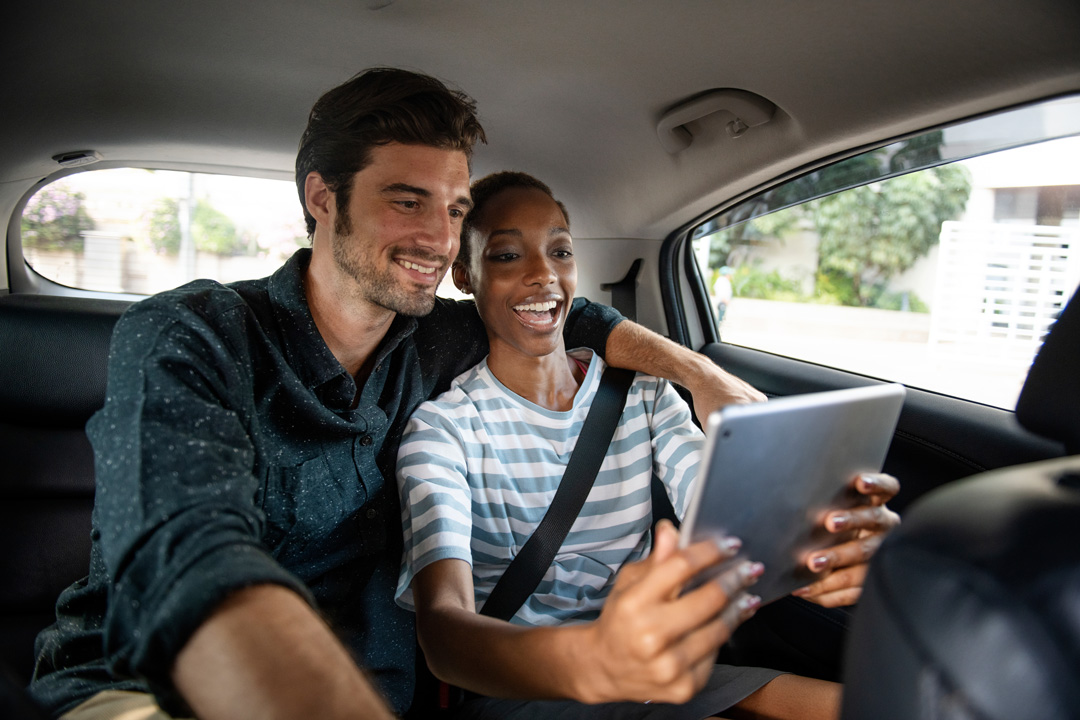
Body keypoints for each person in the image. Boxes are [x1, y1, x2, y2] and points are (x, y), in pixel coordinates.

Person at [28, 69, 766, 720]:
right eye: (406, 202)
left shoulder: (441, 336)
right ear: (323, 198)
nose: (440, 240)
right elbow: (190, 562)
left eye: (453, 211)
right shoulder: (190, 334)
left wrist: (705, 378)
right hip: (144, 686)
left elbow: (582, 317)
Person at [395, 172, 901, 719]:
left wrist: (823, 542)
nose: (543, 274)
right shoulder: (443, 431)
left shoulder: (645, 395)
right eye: (507, 256)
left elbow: (731, 517)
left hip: (656, 670)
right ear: (466, 276)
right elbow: (443, 635)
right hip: (523, 688)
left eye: (560, 251)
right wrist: (596, 658)